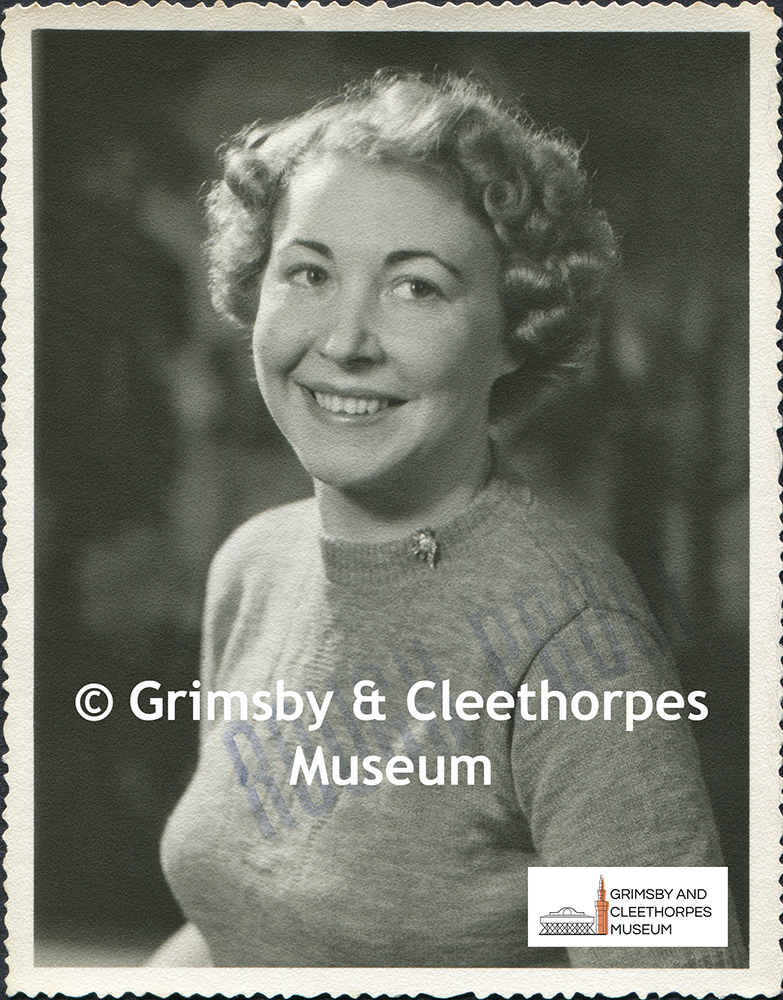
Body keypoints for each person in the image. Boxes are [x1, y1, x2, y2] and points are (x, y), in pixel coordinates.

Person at [153, 72, 745, 967]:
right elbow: (242, 917)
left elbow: (673, 970)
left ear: (515, 328)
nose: (346, 340)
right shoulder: (255, 567)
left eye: (416, 289)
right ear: (253, 288)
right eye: (308, 272)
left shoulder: (565, 634)